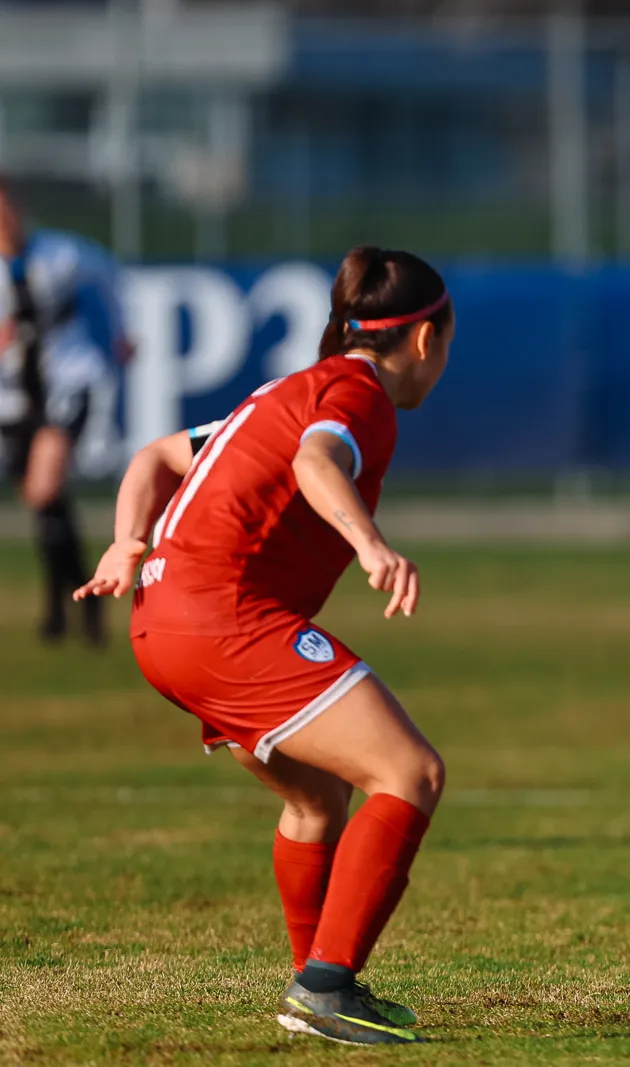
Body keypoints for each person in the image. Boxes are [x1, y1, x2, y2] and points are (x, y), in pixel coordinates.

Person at [75, 246, 453, 1044]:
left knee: (317, 800)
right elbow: (317, 461)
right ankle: (326, 986)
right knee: (410, 772)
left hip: (160, 621)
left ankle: (315, 982)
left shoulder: (286, 391)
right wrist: (370, 544)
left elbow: (155, 455)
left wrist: (128, 540)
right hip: (222, 619)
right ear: (425, 339)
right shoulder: (359, 394)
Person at [0, 178, 132, 644]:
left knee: (44, 487)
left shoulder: (60, 253)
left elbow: (110, 277)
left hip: (68, 383)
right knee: (45, 505)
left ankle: (73, 606)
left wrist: (121, 332)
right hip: (12, 398)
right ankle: (68, 604)